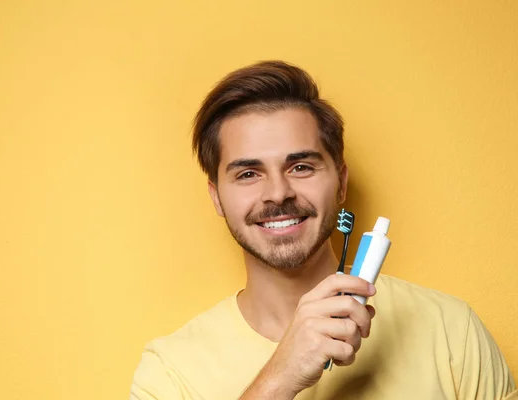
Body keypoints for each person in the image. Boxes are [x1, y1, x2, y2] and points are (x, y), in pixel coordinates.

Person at [129, 60, 517, 399]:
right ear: (216, 198)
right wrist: (279, 379)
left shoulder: (450, 330)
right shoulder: (169, 373)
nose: (278, 193)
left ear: (341, 182)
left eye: (301, 167)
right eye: (248, 173)